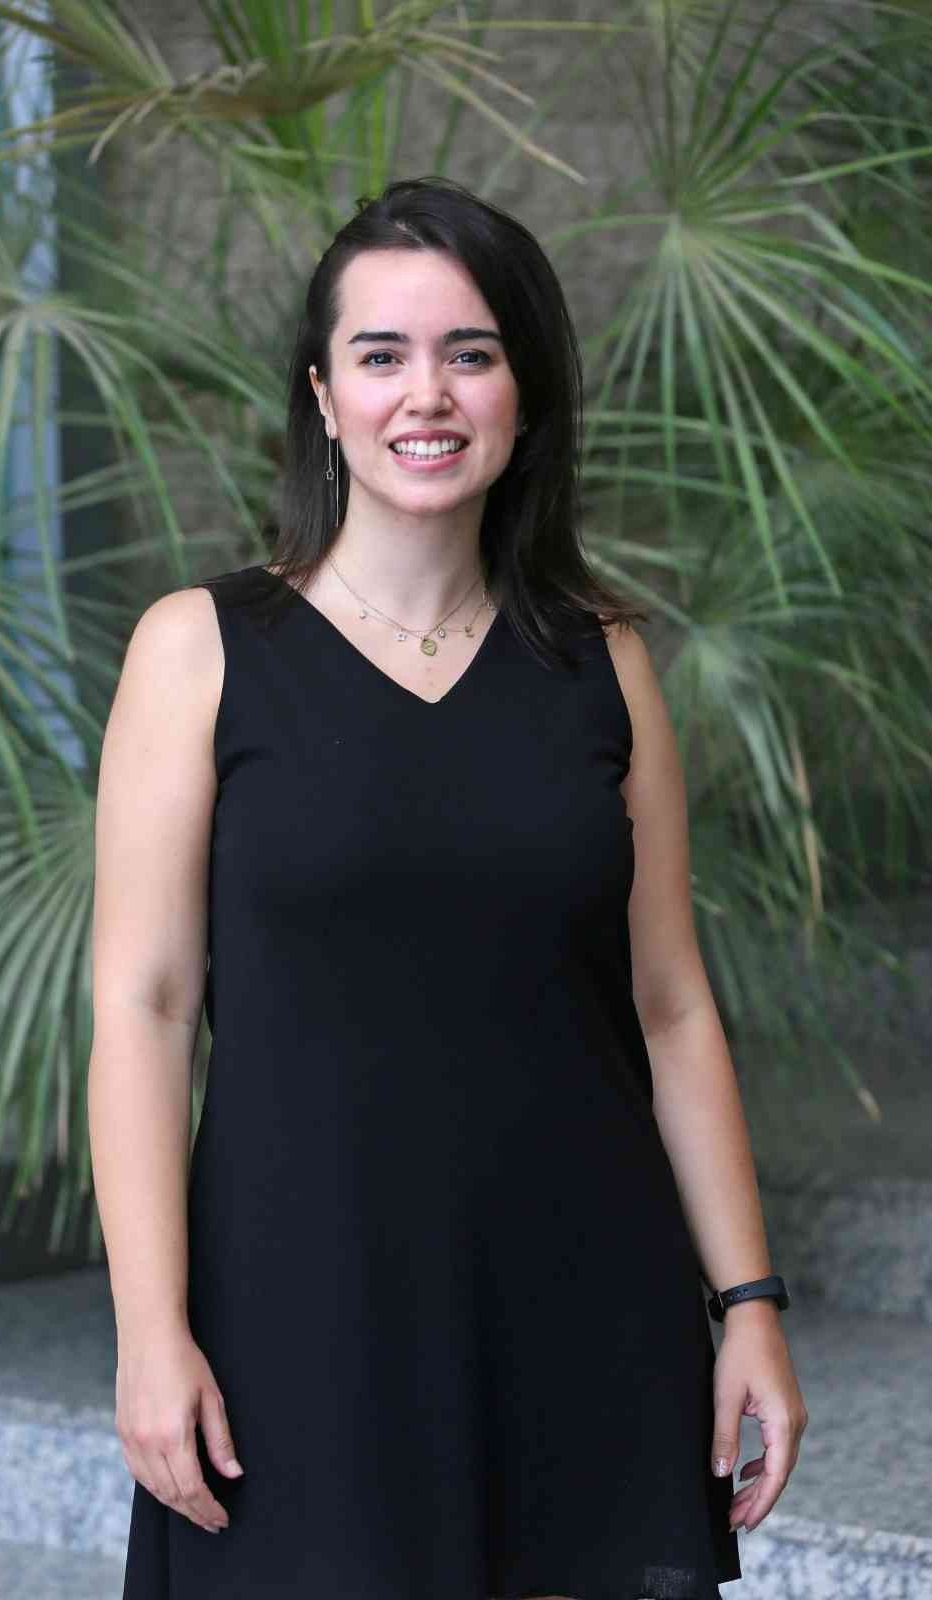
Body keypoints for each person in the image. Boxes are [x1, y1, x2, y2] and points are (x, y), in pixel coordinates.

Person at [89, 175, 808, 1600]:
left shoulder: (603, 658)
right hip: (298, 1310)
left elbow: (669, 1004)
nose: (427, 394)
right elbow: (145, 1007)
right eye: (382, 354)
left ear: (523, 396)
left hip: (585, 1298)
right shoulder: (199, 647)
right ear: (324, 395)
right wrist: (149, 1329)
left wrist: (750, 1305)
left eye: (470, 353)